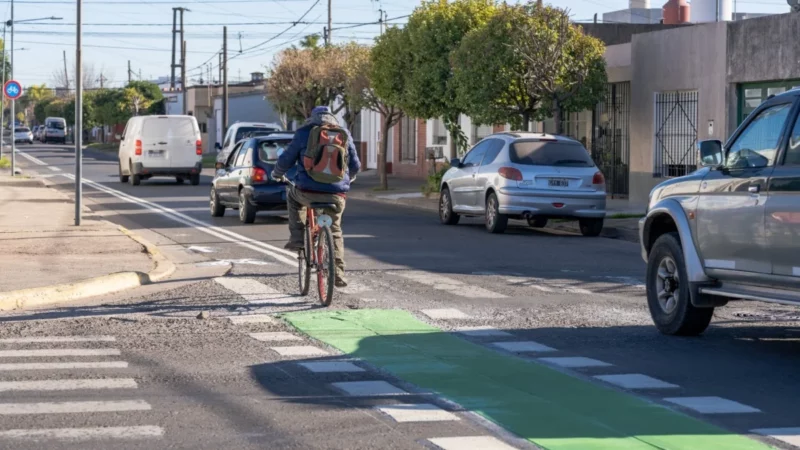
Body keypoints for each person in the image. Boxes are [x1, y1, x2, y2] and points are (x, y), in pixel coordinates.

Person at [271, 106, 361, 287]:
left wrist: (277, 173)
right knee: (335, 230)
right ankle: (337, 274)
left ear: (312, 118)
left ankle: (297, 239)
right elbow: (355, 165)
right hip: (336, 193)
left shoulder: (303, 133)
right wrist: (348, 178)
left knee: (292, 197)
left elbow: (286, 159)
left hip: (307, 191)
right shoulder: (344, 134)